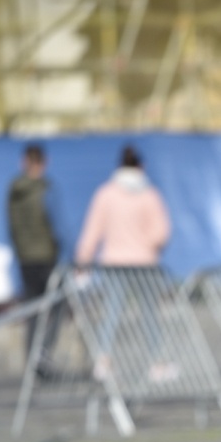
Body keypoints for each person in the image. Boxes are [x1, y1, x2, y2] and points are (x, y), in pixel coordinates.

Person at [75, 145, 171, 379]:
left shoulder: (106, 194)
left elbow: (92, 231)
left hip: (113, 263)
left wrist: (82, 260)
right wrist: (144, 244)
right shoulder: (149, 195)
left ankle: (103, 361)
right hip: (144, 263)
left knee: (111, 312)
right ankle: (156, 364)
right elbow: (162, 232)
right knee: (150, 314)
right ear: (141, 166)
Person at [7, 143, 61, 374]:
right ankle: (44, 353)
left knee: (32, 309)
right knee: (58, 304)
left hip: (25, 258)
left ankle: (32, 358)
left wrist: (21, 251)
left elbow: (13, 227)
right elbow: (56, 225)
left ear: (24, 162)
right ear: (42, 163)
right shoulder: (45, 190)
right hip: (46, 257)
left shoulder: (14, 191)